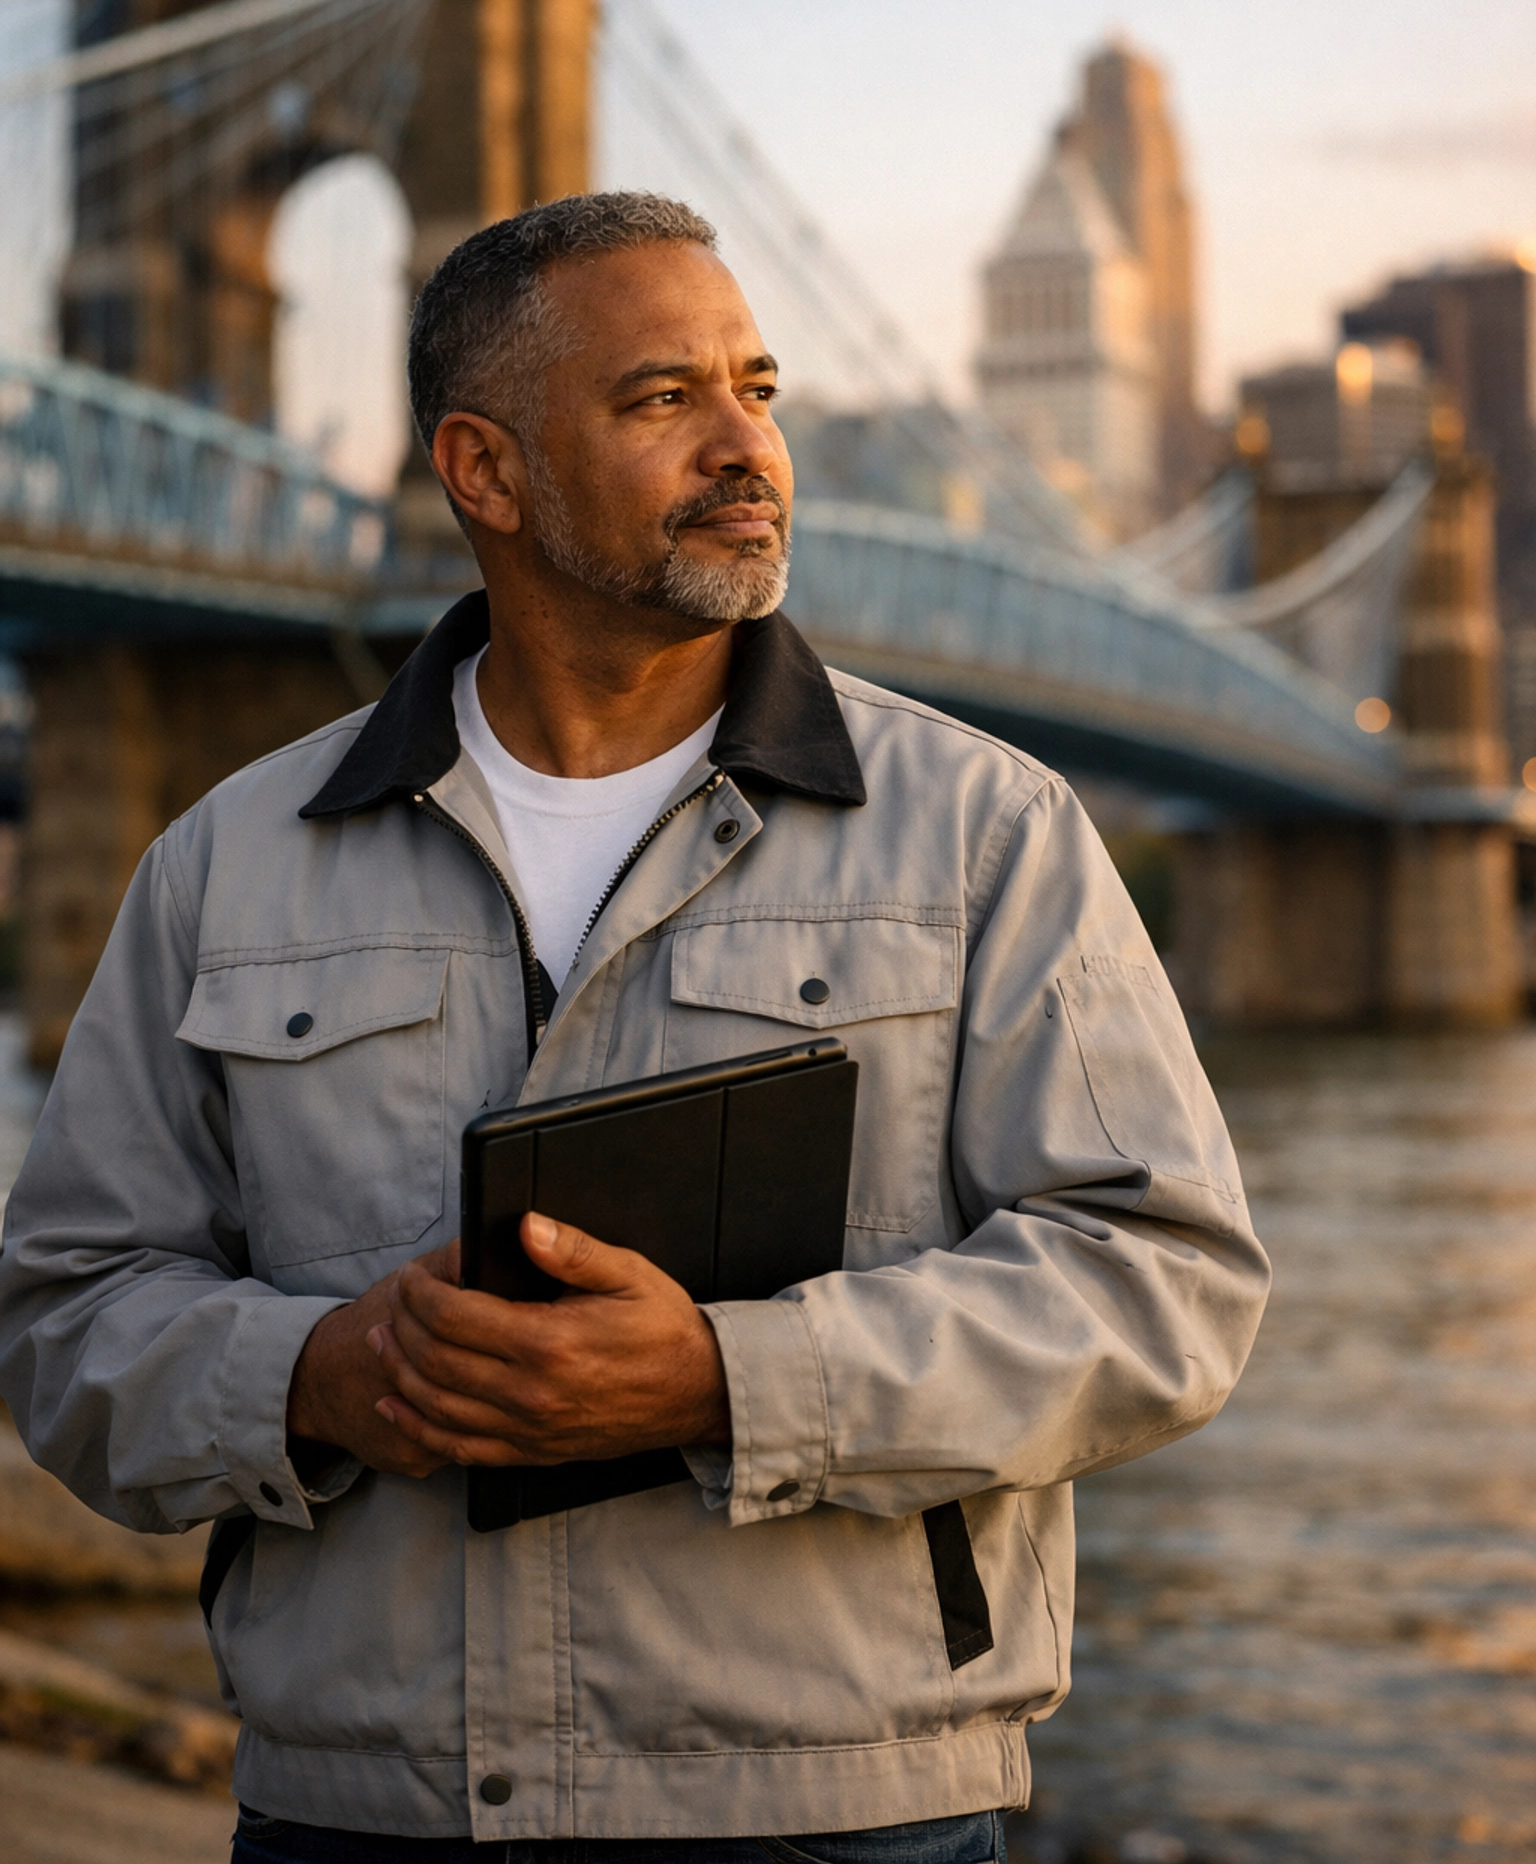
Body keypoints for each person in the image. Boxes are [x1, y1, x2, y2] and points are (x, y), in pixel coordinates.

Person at [0, 193, 1269, 1864]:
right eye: (664, 399)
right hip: (358, 1821)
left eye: (759, 388)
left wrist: (731, 1382)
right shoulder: (226, 863)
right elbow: (65, 1318)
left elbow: (1165, 1285)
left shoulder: (984, 831)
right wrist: (315, 1377)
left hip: (836, 1822)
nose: (748, 445)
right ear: (486, 471)